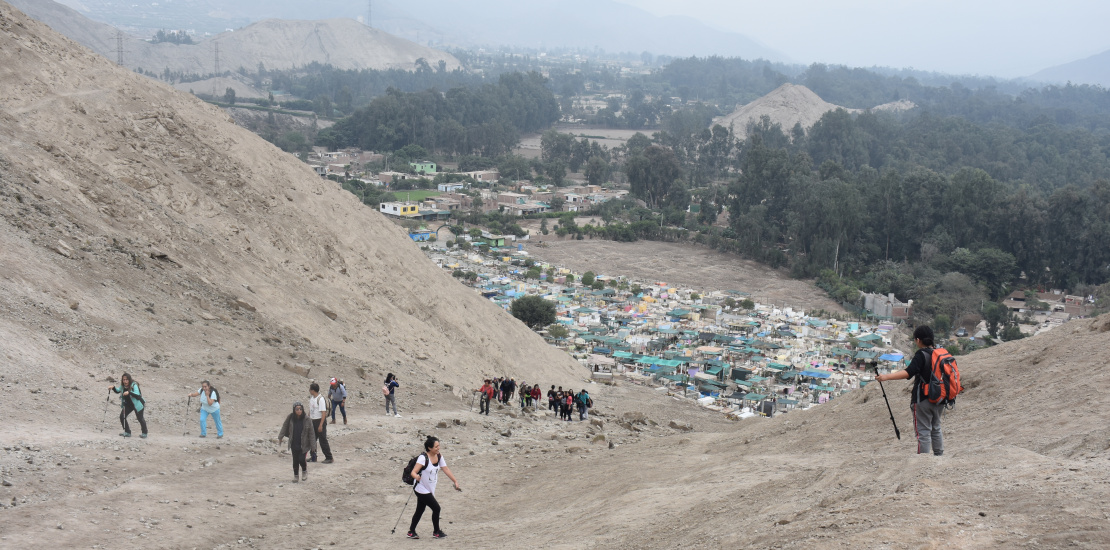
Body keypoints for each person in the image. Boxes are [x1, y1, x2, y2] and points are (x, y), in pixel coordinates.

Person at [875, 325, 945, 456]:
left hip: (923, 399)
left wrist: (885, 377)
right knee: (936, 428)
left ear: (918, 340)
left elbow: (908, 373)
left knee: (923, 431)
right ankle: (939, 457)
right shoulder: (940, 354)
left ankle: (923, 462)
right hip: (940, 397)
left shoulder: (921, 354)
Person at [407, 436, 461, 540]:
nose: (438, 448)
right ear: (429, 448)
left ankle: (411, 531)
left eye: (438, 446)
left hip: (429, 489)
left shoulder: (439, 456)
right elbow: (413, 472)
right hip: (420, 488)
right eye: (436, 446)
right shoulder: (423, 458)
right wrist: (416, 476)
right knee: (436, 508)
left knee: (420, 510)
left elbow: (445, 468)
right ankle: (436, 532)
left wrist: (455, 481)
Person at [278, 401, 315, 482]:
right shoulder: (290, 417)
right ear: (294, 410)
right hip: (294, 442)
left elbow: (311, 433)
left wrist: (313, 446)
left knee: (301, 459)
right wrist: (280, 437)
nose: (299, 411)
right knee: (295, 460)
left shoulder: (307, 419)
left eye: (300, 409)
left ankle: (304, 471)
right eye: (297, 409)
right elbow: (285, 426)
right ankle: (296, 476)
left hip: (304, 444)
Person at [110, 373, 147, 438]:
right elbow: (118, 391)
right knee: (122, 416)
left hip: (137, 404)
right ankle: (127, 432)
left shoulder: (134, 385)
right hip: (128, 405)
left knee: (140, 418)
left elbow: (137, 395)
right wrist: (113, 388)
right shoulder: (123, 386)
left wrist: (129, 392)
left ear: (129, 380)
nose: (125, 381)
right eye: (124, 380)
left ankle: (144, 432)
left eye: (126, 380)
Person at [307, 383, 333, 463]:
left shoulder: (320, 399)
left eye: (310, 389)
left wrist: (321, 425)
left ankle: (329, 457)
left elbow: (323, 413)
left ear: (313, 390)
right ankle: (313, 457)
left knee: (322, 440)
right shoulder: (312, 398)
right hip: (313, 421)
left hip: (319, 421)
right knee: (312, 440)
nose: (309, 391)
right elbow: (311, 409)